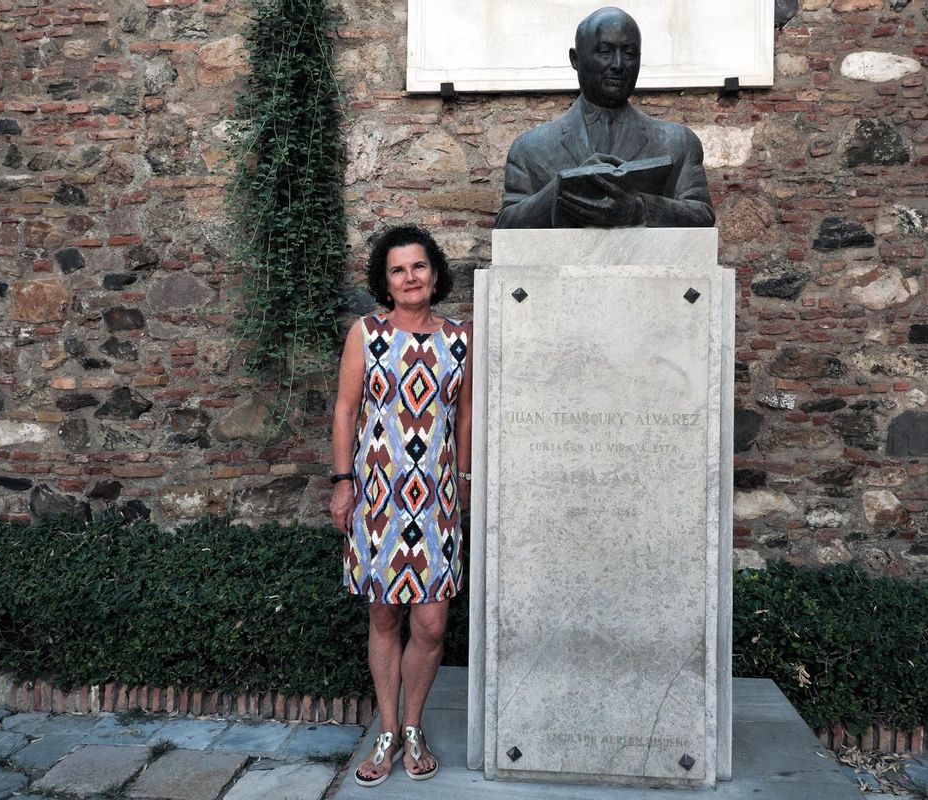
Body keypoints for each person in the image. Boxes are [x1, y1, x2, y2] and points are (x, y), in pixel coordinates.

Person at [329, 225, 472, 787]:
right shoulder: (366, 334)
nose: (410, 277)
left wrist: (461, 477)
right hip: (378, 494)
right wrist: (343, 482)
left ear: (434, 274)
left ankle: (414, 724)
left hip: (435, 496)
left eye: (418, 266)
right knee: (384, 612)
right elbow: (345, 410)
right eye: (398, 270)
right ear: (384, 282)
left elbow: (462, 417)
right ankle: (389, 731)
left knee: (432, 622)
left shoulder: (462, 338)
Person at [495, 6, 715, 229]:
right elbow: (507, 225)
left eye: (629, 53)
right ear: (575, 59)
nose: (618, 64)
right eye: (604, 52)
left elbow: (702, 215)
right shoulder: (530, 148)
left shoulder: (679, 142)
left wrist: (639, 210)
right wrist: (567, 184)